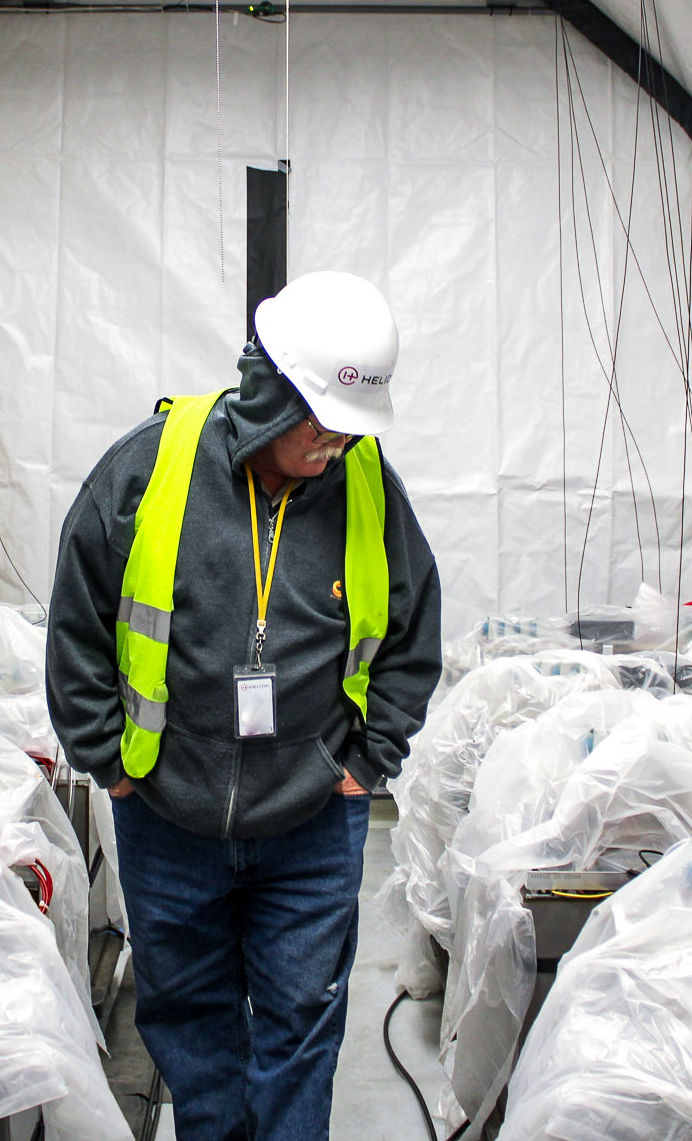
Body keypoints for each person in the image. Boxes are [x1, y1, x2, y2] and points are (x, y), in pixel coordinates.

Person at [46, 271, 442, 1141]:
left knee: (302, 1027)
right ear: (271, 391)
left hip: (310, 821)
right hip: (168, 816)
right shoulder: (148, 469)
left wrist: (364, 766)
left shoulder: (369, 489)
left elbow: (413, 639)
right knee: (190, 1026)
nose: (337, 442)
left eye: (350, 425)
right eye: (322, 421)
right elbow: (77, 621)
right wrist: (108, 763)